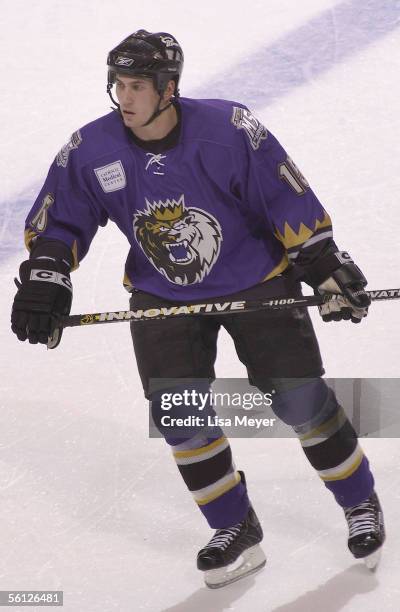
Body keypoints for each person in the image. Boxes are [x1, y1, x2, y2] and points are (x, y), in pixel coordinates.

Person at [11, 29, 385, 588]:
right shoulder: (92, 149)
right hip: (164, 296)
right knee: (180, 416)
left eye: (138, 85)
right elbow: (60, 219)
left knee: (302, 400)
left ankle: (360, 502)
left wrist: (323, 265)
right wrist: (46, 277)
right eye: (119, 84)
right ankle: (235, 526)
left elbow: (284, 198)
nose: (126, 97)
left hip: (255, 280)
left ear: (169, 88)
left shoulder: (228, 131)